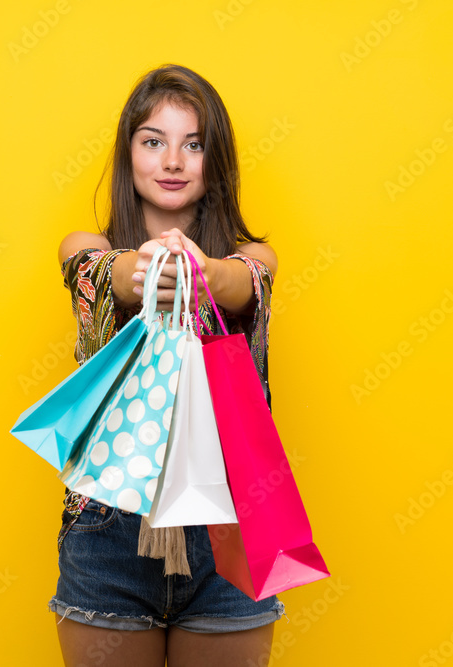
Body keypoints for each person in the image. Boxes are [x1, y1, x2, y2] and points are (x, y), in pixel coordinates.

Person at [49, 63, 282, 667]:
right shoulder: (89, 250)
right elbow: (103, 273)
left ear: (217, 161)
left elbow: (242, 281)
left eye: (194, 144)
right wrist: (144, 270)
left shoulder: (250, 258)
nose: (173, 161)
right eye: (154, 142)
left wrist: (202, 272)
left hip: (230, 523)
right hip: (109, 529)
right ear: (130, 155)